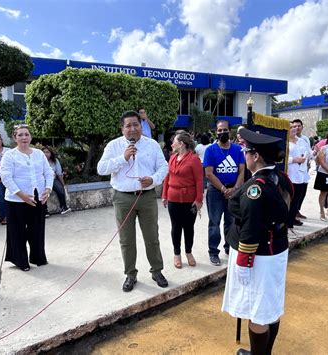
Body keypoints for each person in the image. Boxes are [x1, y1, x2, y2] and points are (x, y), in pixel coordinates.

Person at [221, 128, 293, 355]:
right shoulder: (280, 176)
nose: (244, 154)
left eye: (246, 151)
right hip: (274, 250)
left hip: (258, 256)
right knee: (270, 306)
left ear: (256, 156)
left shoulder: (257, 188)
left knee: (257, 310)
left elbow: (251, 227)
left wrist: (243, 261)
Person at [97, 111, 168, 292]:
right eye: (128, 125)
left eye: (136, 124)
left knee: (152, 237)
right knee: (126, 239)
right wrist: (123, 157)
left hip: (147, 197)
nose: (132, 128)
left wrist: (153, 179)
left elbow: (163, 167)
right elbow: (101, 168)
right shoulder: (114, 146)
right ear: (122, 128)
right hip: (123, 198)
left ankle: (157, 271)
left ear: (141, 126)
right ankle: (130, 274)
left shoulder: (152, 145)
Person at [0, 124, 54, 272]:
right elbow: (6, 177)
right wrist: (21, 194)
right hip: (16, 199)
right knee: (17, 231)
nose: (24, 137)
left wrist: (48, 189)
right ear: (14, 137)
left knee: (37, 229)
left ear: (30, 136)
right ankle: (20, 260)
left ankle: (38, 257)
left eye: (26, 134)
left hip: (37, 197)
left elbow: (48, 172)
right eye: (20, 135)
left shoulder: (38, 153)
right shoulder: (9, 155)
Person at [204, 120, 245, 266]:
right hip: (215, 192)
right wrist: (223, 189)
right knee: (214, 222)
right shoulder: (210, 150)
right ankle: (213, 252)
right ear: (216, 132)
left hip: (234, 191)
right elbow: (208, 173)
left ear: (230, 131)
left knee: (231, 221)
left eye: (225, 130)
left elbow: (241, 171)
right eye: (219, 130)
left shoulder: (238, 150)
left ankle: (230, 247)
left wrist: (234, 189)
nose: (222, 132)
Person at [162, 131, 203, 269]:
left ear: (181, 144)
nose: (172, 143)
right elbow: (167, 178)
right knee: (176, 227)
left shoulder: (194, 159)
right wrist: (164, 195)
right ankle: (177, 254)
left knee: (189, 227)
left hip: (189, 200)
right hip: (173, 198)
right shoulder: (172, 157)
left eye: (174, 141)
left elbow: (199, 181)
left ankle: (188, 252)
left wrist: (199, 200)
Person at [286, 122, 310, 228]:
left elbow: (308, 153)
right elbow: (281, 159)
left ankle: (292, 220)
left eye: (295, 127)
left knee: (297, 199)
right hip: (289, 174)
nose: (294, 129)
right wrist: (293, 160)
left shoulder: (302, 141)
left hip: (301, 173)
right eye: (291, 127)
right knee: (288, 199)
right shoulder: (285, 142)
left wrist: (314, 154)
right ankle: (286, 222)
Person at [42, 146, 71, 216]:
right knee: (42, 193)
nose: (45, 154)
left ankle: (63, 208)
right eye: (44, 152)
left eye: (47, 152)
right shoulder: (38, 161)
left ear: (51, 153)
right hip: (42, 180)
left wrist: (63, 185)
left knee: (60, 190)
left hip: (53, 179)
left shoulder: (55, 161)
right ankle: (44, 211)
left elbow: (59, 174)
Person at [291, 119, 312, 219]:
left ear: (302, 127)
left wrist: (309, 161)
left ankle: (297, 210)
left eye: (298, 126)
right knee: (294, 194)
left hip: (304, 170)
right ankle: (292, 214)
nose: (296, 128)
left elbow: (308, 152)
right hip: (293, 171)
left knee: (302, 192)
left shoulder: (305, 139)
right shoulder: (289, 140)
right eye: (294, 126)